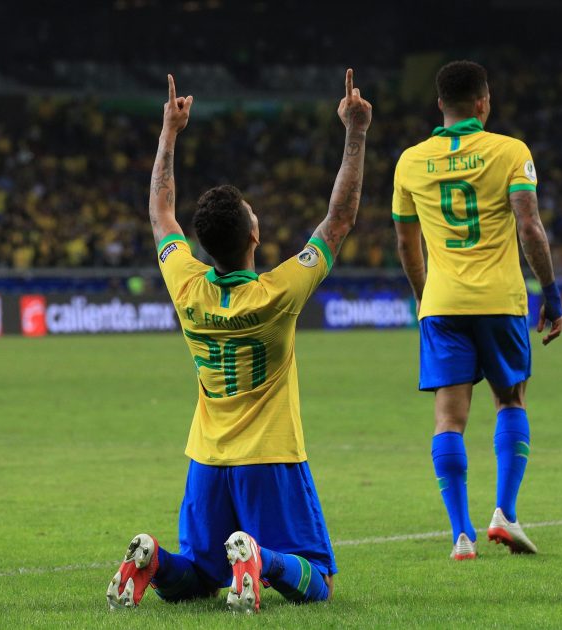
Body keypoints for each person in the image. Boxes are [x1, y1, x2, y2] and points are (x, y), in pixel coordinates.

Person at [106, 70, 371, 613]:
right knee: (317, 579)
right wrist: (356, 132)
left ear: (201, 244)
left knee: (201, 574)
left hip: (206, 459)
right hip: (270, 457)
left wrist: (169, 133)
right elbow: (339, 219)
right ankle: (260, 557)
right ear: (254, 236)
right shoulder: (279, 292)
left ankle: (153, 558)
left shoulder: (187, 285)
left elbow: (160, 214)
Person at [392, 60, 562, 559]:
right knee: (511, 401)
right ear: (484, 102)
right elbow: (530, 228)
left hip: (443, 304)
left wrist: (425, 295)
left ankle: (461, 535)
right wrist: (551, 293)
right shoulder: (510, 151)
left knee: (449, 420)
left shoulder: (410, 161)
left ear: (439, 104)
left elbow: (406, 243)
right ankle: (505, 515)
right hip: (499, 301)